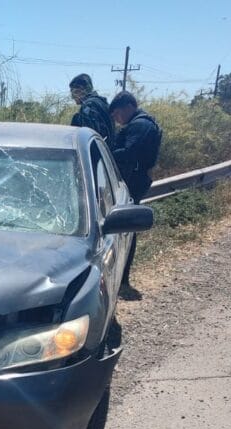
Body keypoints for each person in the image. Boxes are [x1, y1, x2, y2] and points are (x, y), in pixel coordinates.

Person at [109, 91, 163, 298]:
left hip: (133, 182)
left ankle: (122, 280)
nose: (116, 119)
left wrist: (106, 153)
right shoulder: (144, 123)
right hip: (136, 180)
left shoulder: (140, 125)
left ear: (126, 108)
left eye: (116, 114)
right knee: (124, 228)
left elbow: (129, 154)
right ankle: (121, 278)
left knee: (125, 227)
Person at [68, 73, 112, 142]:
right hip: (106, 150)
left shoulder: (88, 106)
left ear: (82, 89)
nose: (72, 97)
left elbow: (89, 136)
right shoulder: (103, 103)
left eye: (74, 92)